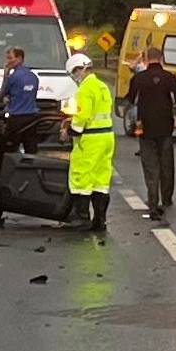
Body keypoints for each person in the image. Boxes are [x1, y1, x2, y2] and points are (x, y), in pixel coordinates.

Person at [61, 54, 114, 232]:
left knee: (81, 176)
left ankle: (82, 217)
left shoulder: (84, 89)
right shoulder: (102, 86)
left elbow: (82, 116)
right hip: (106, 137)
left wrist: (70, 131)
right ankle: (100, 220)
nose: (75, 77)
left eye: (74, 73)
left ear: (79, 69)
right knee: (100, 179)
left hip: (90, 139)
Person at [130, 47, 176, 224]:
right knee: (166, 163)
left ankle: (153, 200)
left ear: (146, 58)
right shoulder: (169, 78)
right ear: (161, 58)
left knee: (151, 166)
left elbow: (131, 99)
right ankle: (167, 197)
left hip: (145, 128)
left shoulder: (139, 79)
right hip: (165, 126)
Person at [0, 47, 41, 153]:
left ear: (20, 58)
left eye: (10, 58)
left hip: (16, 117)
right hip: (32, 117)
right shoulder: (33, 77)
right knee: (30, 148)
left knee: (8, 148)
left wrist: (6, 74)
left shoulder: (13, 77)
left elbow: (1, 95)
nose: (8, 61)